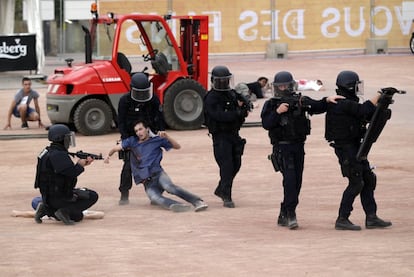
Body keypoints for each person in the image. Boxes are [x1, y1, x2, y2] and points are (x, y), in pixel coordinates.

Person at [261, 71, 342, 229]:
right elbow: (266, 123)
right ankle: (291, 213)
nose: (283, 89)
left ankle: (284, 211)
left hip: (298, 147)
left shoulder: (299, 100)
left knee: (297, 182)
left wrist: (327, 100)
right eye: (281, 86)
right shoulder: (271, 104)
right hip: (282, 148)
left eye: (286, 85)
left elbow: (317, 106)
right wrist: (278, 112)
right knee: (290, 181)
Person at [325, 70, 392, 231]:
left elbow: (366, 115)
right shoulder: (340, 103)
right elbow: (363, 110)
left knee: (368, 179)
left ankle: (371, 217)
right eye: (355, 85)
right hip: (345, 148)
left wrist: (384, 104)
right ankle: (342, 218)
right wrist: (379, 95)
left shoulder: (349, 101)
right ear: (349, 86)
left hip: (356, 146)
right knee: (356, 182)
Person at [105, 120, 208, 213]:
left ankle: (197, 201)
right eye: (136, 131)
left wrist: (167, 137)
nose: (138, 133)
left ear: (147, 129)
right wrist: (108, 156)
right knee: (154, 198)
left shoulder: (157, 140)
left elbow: (177, 146)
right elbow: (115, 148)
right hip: (147, 181)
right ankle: (176, 205)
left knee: (170, 187)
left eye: (140, 129)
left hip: (158, 174)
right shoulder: (132, 141)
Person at [34, 124, 99, 225]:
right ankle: (63, 211)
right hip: (60, 196)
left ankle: (46, 209)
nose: (68, 141)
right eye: (67, 138)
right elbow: (71, 173)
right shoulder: (59, 155)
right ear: (61, 139)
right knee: (86, 205)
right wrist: (80, 165)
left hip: (48, 196)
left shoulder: (47, 151)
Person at [204, 65, 250, 208]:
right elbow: (219, 116)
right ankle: (227, 195)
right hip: (220, 136)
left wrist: (243, 107)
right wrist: (236, 113)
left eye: (226, 80)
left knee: (236, 164)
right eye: (220, 80)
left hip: (234, 134)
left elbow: (243, 109)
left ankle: (221, 188)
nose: (223, 83)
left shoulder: (231, 93)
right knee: (227, 166)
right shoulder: (211, 97)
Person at [117, 72, 166, 205]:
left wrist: (160, 131)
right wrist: (126, 140)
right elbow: (120, 122)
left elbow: (159, 117)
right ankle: (124, 194)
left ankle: (155, 194)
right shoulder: (124, 101)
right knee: (128, 168)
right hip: (131, 138)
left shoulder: (153, 99)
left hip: (148, 137)